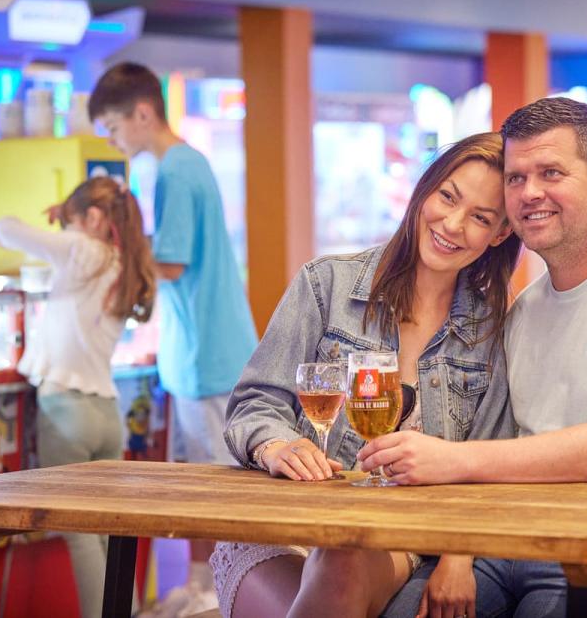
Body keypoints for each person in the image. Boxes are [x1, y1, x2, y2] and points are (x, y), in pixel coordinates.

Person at [361, 97, 587, 618]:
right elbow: (501, 440)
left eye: (551, 172)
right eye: (516, 178)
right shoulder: (522, 311)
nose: (529, 193)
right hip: (509, 539)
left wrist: (450, 460)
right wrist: (460, 550)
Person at [213, 132, 523, 618]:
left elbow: (491, 459)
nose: (453, 224)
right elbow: (255, 404)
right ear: (423, 190)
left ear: (500, 234)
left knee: (345, 558)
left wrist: (459, 555)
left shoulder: (492, 327)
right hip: (286, 528)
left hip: (400, 541)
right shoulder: (327, 284)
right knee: (337, 562)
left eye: (481, 218)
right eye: (448, 197)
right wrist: (276, 446)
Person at [88, 62, 259, 616]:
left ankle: (216, 593)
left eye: (113, 127)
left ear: (143, 113)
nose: (113, 140)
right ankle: (201, 584)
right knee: (200, 481)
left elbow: (171, 263)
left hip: (209, 356)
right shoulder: (186, 163)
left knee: (214, 486)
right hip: (202, 352)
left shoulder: (175, 172)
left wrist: (109, 243)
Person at [0, 176, 155, 618]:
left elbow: (6, 229)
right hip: (106, 413)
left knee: (80, 532)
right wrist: (68, 217)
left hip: (66, 410)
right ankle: (132, 611)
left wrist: (58, 220)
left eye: (74, 219)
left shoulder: (83, 250)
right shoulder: (126, 261)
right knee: (107, 529)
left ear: (95, 218)